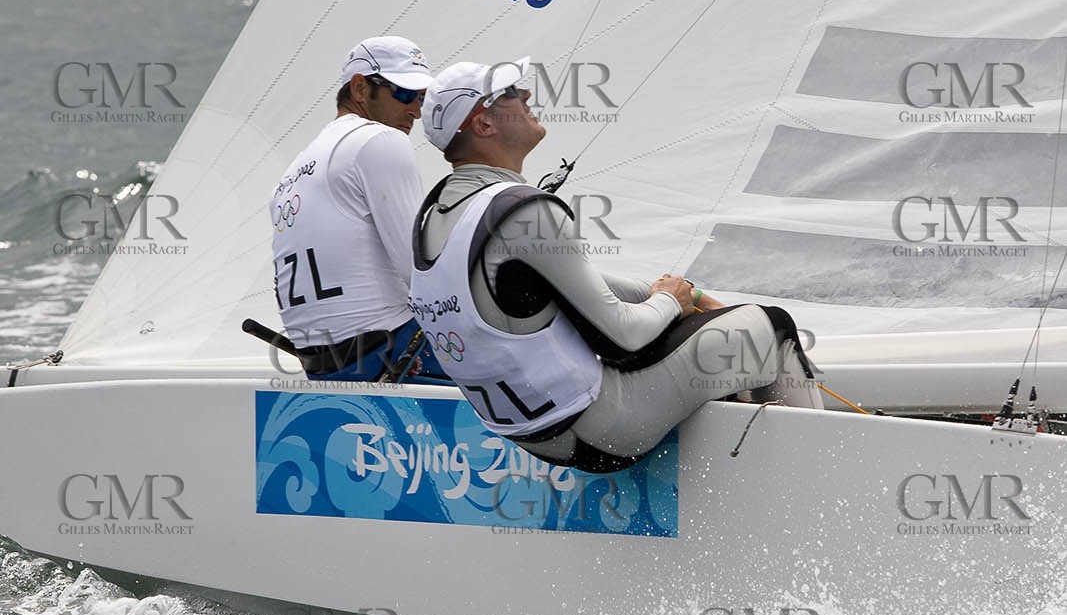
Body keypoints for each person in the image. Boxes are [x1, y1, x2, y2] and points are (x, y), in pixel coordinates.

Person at [410, 56, 821, 470]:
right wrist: (668, 302)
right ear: (483, 124)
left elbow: (578, 291)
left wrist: (681, 295)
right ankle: (817, 473)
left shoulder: (435, 215)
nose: (528, 94)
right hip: (607, 431)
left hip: (537, 439)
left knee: (681, 327)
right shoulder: (524, 212)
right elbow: (622, 339)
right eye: (512, 92)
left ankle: (747, 450)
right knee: (771, 325)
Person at [270, 35, 450, 383]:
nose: (415, 110)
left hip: (323, 366)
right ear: (360, 88)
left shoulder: (293, 170)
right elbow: (422, 272)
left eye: (422, 98)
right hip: (388, 353)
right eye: (404, 94)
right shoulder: (380, 140)